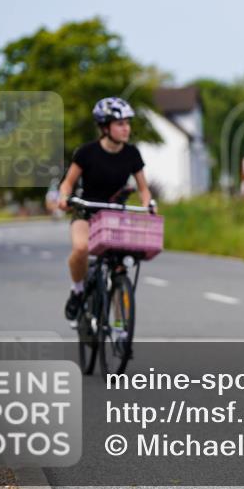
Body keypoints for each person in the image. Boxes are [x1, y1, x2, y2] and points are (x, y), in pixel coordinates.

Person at [57, 97, 153, 323]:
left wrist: (148, 203)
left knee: (120, 265)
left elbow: (144, 189)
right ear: (105, 127)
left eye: (128, 123)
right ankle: (78, 290)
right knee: (81, 248)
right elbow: (68, 183)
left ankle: (120, 326)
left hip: (115, 215)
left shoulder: (132, 154)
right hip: (87, 210)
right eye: (120, 124)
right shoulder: (87, 153)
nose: (126, 128)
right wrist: (64, 197)